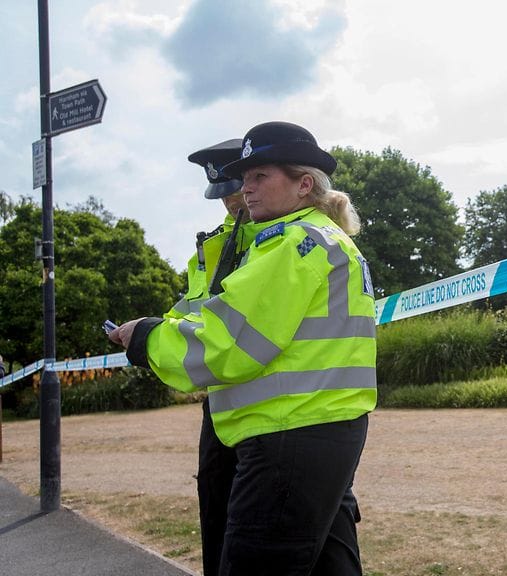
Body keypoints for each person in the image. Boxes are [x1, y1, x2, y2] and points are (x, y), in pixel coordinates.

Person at [109, 121, 377, 575]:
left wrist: (147, 338)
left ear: (303, 184)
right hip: (319, 428)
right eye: (244, 178)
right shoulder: (320, 238)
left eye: (259, 177)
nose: (244, 189)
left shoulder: (293, 245)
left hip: (287, 436)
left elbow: (227, 346)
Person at [172, 139, 251, 576]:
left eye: (237, 187)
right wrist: (150, 330)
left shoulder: (278, 240)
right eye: (223, 192)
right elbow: (190, 311)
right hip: (221, 402)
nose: (229, 200)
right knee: (216, 508)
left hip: (275, 406)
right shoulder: (210, 248)